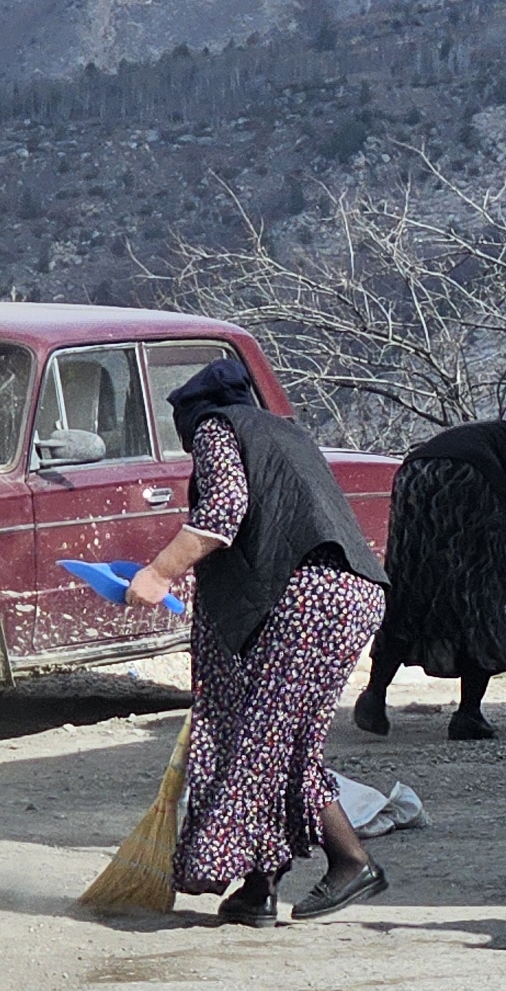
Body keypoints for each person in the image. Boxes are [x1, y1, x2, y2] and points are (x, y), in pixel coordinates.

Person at [130, 359, 393, 923]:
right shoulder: (285, 432)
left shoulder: (217, 427)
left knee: (255, 740)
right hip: (353, 593)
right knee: (278, 741)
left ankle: (349, 861)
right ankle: (260, 890)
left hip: (302, 599)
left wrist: (156, 574)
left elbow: (224, 512)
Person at [356, 404, 506, 740]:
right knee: (476, 598)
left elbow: (465, 551)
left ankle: (374, 695)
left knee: (410, 583)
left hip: (414, 471)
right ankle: (469, 713)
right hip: (471, 479)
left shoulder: (492, 435)